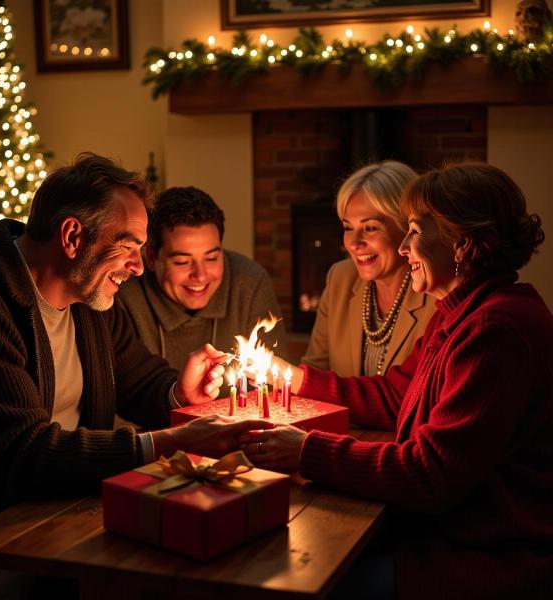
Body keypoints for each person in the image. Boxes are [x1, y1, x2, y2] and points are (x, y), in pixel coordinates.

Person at [239, 163, 553, 599]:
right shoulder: (461, 313)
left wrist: (306, 450)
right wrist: (296, 378)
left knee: (297, 576)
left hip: (476, 561)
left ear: (461, 244)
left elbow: (431, 474)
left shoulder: (495, 330)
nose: (405, 248)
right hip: (435, 534)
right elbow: (395, 397)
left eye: (414, 231)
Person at [0, 154, 266, 540]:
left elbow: (137, 379)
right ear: (71, 237)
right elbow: (21, 454)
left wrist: (177, 392)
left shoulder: (90, 293)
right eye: (128, 246)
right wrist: (165, 443)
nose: (138, 266)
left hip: (72, 506)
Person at [118, 186, 288, 378]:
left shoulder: (250, 282)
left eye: (212, 258)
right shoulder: (122, 293)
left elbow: (274, 383)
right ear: (150, 257)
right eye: (182, 261)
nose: (200, 275)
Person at [302, 161, 435, 377]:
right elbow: (315, 369)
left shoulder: (435, 295)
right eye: (348, 228)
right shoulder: (340, 278)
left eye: (370, 228)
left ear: (407, 228)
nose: (354, 243)